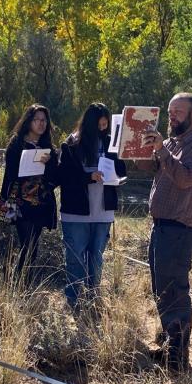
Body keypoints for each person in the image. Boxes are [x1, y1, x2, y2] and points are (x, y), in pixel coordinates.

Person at [140, 92, 192, 373]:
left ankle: (178, 359)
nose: (171, 117)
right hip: (161, 227)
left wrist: (162, 150)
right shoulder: (170, 143)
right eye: (170, 112)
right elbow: (148, 168)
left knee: (175, 292)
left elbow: (185, 179)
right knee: (161, 290)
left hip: (180, 230)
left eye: (178, 112)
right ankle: (170, 348)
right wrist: (140, 148)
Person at [58, 103, 126, 308]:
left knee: (96, 258)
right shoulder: (71, 144)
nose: (103, 130)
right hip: (77, 213)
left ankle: (93, 297)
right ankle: (73, 299)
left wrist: (116, 174)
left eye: (106, 126)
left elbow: (122, 171)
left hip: (103, 211)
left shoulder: (112, 144)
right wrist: (89, 176)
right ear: (89, 124)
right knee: (75, 257)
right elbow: (64, 176)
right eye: (99, 126)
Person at [0, 104, 58, 279]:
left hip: (41, 202)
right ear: (29, 121)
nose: (41, 124)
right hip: (20, 202)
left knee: (33, 244)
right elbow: (10, 173)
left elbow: (55, 176)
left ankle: (23, 283)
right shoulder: (16, 143)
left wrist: (49, 164)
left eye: (44, 120)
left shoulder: (48, 146)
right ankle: (20, 283)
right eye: (37, 120)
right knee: (27, 242)